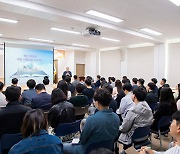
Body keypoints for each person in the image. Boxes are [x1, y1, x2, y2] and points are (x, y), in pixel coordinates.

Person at [63, 88, 120, 154]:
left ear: (97, 102)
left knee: (63, 146)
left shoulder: (92, 119)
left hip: (88, 150)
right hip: (108, 149)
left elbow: (82, 140)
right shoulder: (116, 117)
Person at [118, 87, 153, 151]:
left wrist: (119, 127)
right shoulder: (148, 108)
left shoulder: (132, 111)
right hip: (145, 135)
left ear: (134, 96)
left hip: (132, 137)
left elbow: (124, 129)